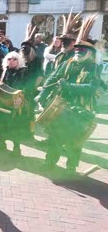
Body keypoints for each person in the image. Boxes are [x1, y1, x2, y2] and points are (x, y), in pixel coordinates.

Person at [36, 15, 101, 172]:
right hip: (61, 106)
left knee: (75, 140)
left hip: (81, 109)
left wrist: (69, 86)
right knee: (55, 136)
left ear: (90, 53)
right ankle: (50, 162)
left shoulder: (93, 67)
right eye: (76, 49)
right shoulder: (66, 63)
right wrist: (43, 95)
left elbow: (92, 87)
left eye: (82, 49)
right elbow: (52, 78)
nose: (78, 51)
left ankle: (71, 166)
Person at [0, 52, 30, 156]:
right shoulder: (6, 70)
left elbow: (27, 87)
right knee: (1, 123)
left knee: (15, 126)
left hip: (17, 102)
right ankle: (2, 143)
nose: (11, 61)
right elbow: (3, 84)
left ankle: (17, 148)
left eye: (14, 59)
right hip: (4, 101)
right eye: (9, 59)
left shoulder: (23, 71)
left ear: (18, 60)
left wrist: (22, 97)